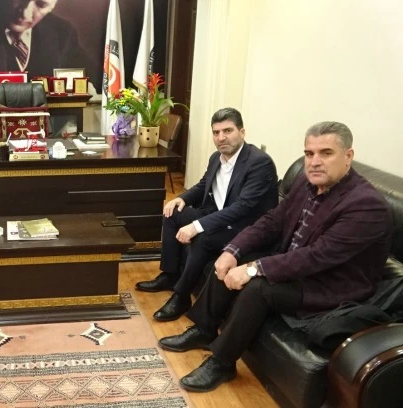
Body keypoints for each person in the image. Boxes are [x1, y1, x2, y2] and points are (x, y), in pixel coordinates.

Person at [158, 121, 392, 392]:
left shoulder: (365, 206)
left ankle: (222, 363)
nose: (315, 162)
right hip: (292, 262)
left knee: (258, 288)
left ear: (348, 156)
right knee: (227, 261)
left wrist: (254, 269)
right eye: (309, 153)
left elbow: (316, 257)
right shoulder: (306, 181)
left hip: (328, 284)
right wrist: (233, 250)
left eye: (326, 153)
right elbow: (272, 221)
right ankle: (203, 330)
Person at [135, 108, 278, 322]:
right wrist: (182, 198)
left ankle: (181, 296)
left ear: (242, 132)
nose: (221, 138)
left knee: (202, 236)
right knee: (172, 213)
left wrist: (197, 225)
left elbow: (242, 207)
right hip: (218, 215)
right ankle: (170, 275)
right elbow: (204, 185)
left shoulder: (259, 163)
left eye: (228, 131)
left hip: (244, 227)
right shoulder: (216, 158)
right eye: (216, 132)